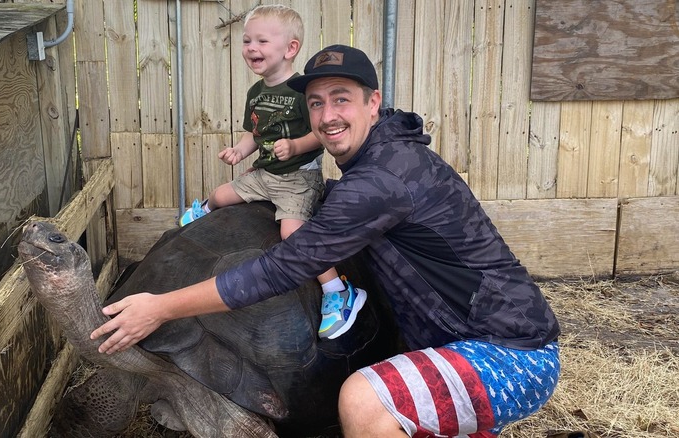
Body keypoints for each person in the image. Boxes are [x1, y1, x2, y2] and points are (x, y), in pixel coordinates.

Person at [92, 45, 562, 437]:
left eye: (342, 99)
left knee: (363, 400)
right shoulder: (385, 158)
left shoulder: (383, 177)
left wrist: (160, 307)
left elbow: (281, 268)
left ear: (373, 103)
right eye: (316, 103)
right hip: (454, 341)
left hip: (511, 352)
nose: (327, 115)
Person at [178, 5, 366, 340]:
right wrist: (239, 150)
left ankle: (338, 290)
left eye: (262, 41)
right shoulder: (256, 92)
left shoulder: (301, 91)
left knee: (292, 235)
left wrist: (295, 146)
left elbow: (319, 132)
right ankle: (201, 212)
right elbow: (254, 133)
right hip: (264, 173)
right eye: (247, 40)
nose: (251, 47)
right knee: (220, 195)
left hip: (296, 180)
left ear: (290, 49)